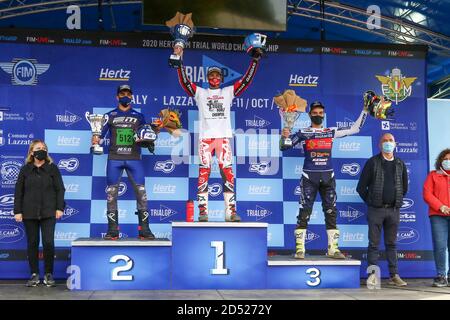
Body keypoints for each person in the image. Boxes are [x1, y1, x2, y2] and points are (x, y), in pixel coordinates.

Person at [174, 42, 262, 222]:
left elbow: (245, 80)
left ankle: (230, 212)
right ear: (207, 78)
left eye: (217, 75)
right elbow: (184, 81)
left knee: (228, 174)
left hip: (223, 139)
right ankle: (203, 212)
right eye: (211, 75)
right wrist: (179, 59)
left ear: (221, 78)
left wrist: (254, 61)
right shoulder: (200, 92)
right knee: (203, 174)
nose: (214, 77)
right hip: (205, 139)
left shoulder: (228, 91)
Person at [281, 101, 368, 259]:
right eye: (315, 113)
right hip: (309, 178)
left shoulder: (331, 131)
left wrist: (365, 110)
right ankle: (300, 249)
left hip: (328, 178)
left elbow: (355, 129)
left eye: (321, 113)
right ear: (309, 115)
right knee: (304, 213)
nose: (318, 115)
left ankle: (333, 249)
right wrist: (284, 136)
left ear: (324, 114)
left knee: (331, 213)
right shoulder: (304, 132)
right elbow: (284, 147)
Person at [92, 84, 155, 240]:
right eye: (122, 93)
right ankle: (113, 230)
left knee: (141, 193)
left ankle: (144, 229)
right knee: (111, 194)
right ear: (117, 97)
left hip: (134, 159)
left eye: (128, 93)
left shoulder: (139, 116)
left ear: (131, 96)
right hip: (115, 158)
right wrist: (95, 138)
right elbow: (100, 134)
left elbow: (144, 135)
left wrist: (149, 139)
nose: (125, 95)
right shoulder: (110, 115)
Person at [357, 133, 408, 287]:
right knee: (374, 244)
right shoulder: (372, 162)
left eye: (391, 140)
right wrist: (372, 202)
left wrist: (395, 200)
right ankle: (372, 276)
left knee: (391, 244)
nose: (388, 143)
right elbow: (361, 188)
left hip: (393, 210)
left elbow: (404, 188)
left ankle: (394, 275)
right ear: (379, 145)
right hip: (376, 210)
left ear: (395, 144)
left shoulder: (400, 164)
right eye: (385, 141)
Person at [14, 140, 65, 287]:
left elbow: (60, 189)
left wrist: (59, 208)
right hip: (29, 213)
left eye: (44, 148)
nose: (41, 150)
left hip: (49, 212)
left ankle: (49, 274)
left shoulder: (52, 168)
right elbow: (19, 192)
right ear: (32, 152)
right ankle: (34, 274)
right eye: (38, 148)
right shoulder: (25, 170)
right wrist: (17, 211)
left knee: (48, 243)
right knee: (32, 243)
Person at [423, 148, 450, 287]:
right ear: (440, 161)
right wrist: (441, 206)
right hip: (438, 216)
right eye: (445, 159)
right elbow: (427, 194)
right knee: (440, 246)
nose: (448, 161)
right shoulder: (433, 175)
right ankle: (441, 275)